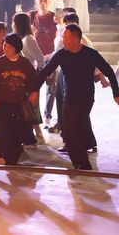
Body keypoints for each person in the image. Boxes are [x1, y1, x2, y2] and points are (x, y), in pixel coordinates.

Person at [32, 24, 119, 170]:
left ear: (75, 38)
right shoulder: (61, 54)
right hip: (69, 97)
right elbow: (46, 71)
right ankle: (77, 162)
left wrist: (116, 94)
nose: (63, 40)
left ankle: (84, 163)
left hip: (86, 98)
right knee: (68, 131)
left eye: (65, 38)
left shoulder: (91, 54)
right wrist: (35, 90)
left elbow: (109, 72)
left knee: (75, 127)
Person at [0, 33, 38, 165]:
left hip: (19, 103)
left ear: (16, 48)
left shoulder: (24, 63)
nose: (5, 49)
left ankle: (13, 156)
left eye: (9, 47)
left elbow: (33, 79)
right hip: (2, 102)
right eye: (4, 45)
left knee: (16, 130)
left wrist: (34, 92)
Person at [12, 12, 46, 147]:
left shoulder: (29, 39)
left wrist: (37, 76)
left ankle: (37, 134)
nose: (12, 25)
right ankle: (36, 132)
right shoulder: (22, 39)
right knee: (29, 106)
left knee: (31, 106)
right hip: (23, 77)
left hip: (30, 78)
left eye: (14, 22)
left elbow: (40, 59)